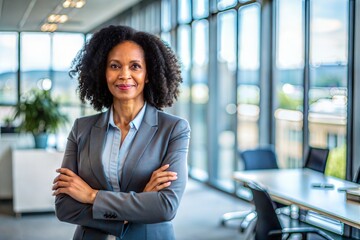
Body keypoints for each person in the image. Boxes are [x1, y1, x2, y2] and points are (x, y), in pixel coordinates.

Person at [52, 25, 190, 240]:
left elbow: (165, 206)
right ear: (102, 72)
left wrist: (91, 195)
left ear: (148, 74)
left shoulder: (173, 129)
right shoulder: (82, 128)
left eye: (135, 66)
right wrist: (140, 203)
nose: (124, 75)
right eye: (115, 66)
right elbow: (65, 207)